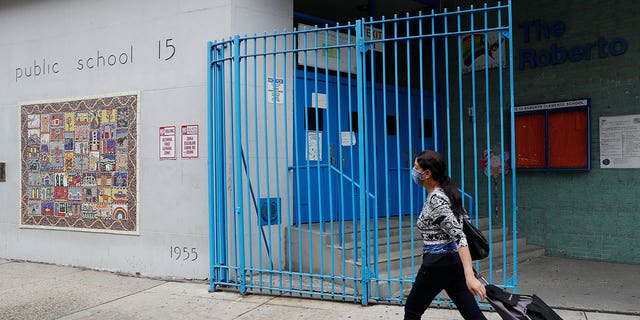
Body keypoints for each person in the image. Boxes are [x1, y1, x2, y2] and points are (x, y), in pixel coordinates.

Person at [404, 149, 487, 320]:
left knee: (412, 310)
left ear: (427, 174)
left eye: (416, 167)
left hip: (437, 263)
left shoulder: (437, 199)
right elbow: (463, 224)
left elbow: (460, 236)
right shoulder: (448, 193)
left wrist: (470, 276)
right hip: (452, 263)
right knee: (473, 315)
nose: (413, 171)